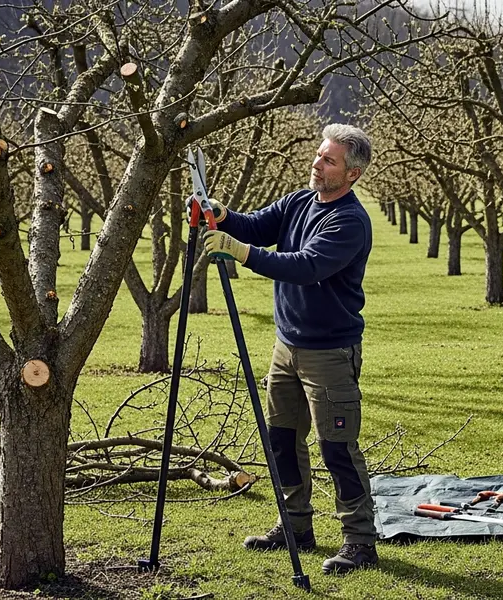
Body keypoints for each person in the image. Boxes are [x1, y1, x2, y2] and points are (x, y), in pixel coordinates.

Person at [202, 124, 377, 575]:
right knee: (281, 440)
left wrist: (239, 253)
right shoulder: (300, 201)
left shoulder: (350, 222)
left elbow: (307, 266)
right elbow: (257, 225)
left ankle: (360, 541)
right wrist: (221, 215)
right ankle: (295, 527)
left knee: (337, 447)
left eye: (329, 160)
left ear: (352, 174)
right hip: (287, 347)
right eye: (319, 155)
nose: (317, 164)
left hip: (329, 354)